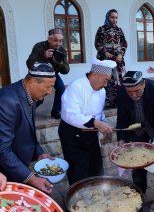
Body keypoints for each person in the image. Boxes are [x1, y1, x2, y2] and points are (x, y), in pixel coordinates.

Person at [116, 71, 154, 212]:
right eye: (130, 92)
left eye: (137, 91)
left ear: (144, 83)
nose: (134, 95)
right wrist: (121, 138)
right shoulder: (122, 92)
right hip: (137, 131)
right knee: (138, 167)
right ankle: (139, 196)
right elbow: (121, 118)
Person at [0, 62, 56, 194]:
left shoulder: (30, 95)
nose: (50, 92)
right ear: (32, 82)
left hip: (18, 165)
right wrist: (32, 178)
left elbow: (27, 130)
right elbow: (3, 150)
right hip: (6, 172)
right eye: (48, 87)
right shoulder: (7, 101)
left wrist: (39, 153)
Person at [58, 58, 116, 185]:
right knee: (78, 171)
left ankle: (95, 196)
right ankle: (76, 201)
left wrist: (104, 127)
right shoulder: (76, 86)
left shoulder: (101, 91)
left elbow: (99, 113)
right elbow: (70, 115)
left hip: (90, 134)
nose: (106, 85)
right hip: (72, 135)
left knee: (95, 168)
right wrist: (96, 123)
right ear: (95, 74)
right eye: (105, 80)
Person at [26, 28, 70, 119]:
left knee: (61, 87)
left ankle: (55, 111)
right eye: (55, 40)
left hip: (52, 75)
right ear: (49, 39)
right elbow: (29, 63)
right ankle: (29, 111)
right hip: (37, 74)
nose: (58, 44)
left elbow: (66, 71)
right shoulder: (39, 46)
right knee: (39, 95)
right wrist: (43, 55)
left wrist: (60, 63)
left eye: (61, 41)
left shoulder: (62, 51)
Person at [94, 9, 128, 108]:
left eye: (116, 17)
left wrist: (121, 54)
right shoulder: (101, 29)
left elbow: (124, 43)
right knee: (104, 80)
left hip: (118, 59)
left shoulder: (119, 30)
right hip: (104, 59)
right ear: (107, 17)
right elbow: (97, 44)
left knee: (119, 80)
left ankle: (118, 101)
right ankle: (106, 102)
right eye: (112, 17)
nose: (114, 20)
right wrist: (106, 52)